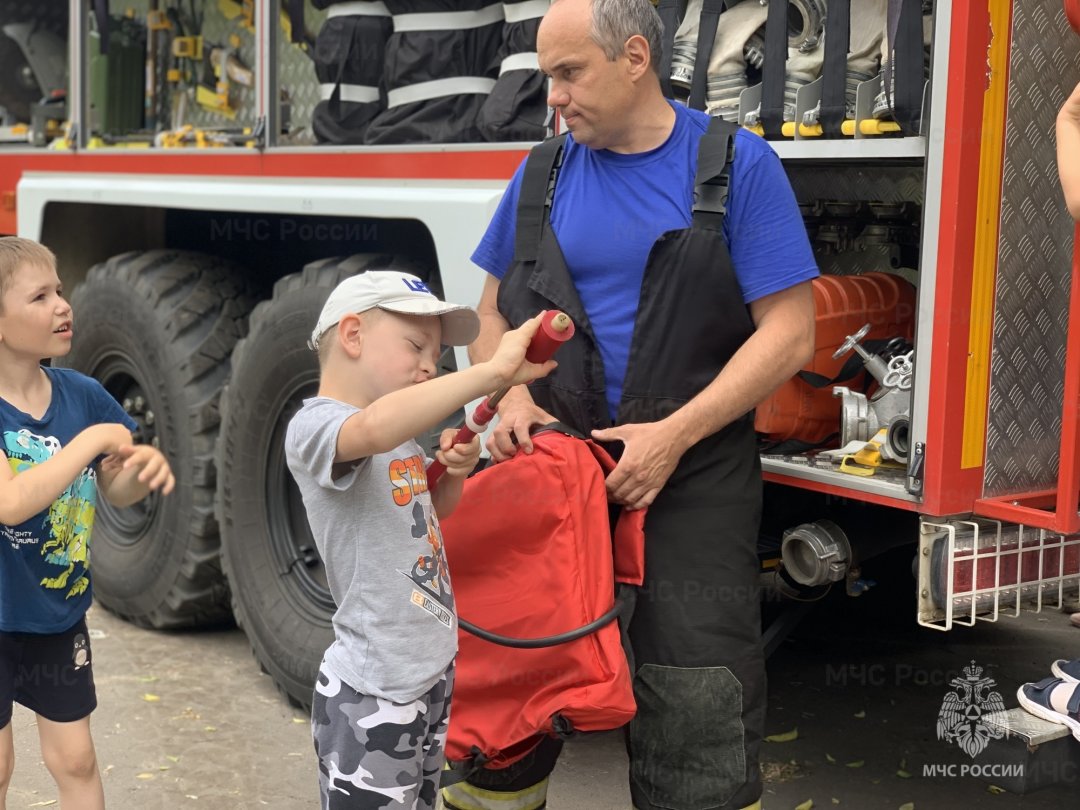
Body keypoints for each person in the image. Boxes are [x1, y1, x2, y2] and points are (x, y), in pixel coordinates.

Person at [455, 1, 817, 808]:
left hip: (691, 482)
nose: (553, 95)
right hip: (549, 479)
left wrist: (672, 436)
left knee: (696, 705)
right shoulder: (542, 171)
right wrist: (510, 391)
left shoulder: (736, 167)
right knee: (512, 691)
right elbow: (487, 318)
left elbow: (791, 336)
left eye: (568, 72)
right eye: (547, 75)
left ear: (635, 57)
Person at [283, 270, 555, 810]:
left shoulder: (399, 434)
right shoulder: (318, 426)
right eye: (416, 346)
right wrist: (491, 373)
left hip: (427, 673)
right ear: (353, 335)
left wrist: (453, 471)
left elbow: (435, 511)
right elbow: (371, 430)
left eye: (437, 353)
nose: (432, 365)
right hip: (373, 690)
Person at [0, 237, 176, 810]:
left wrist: (138, 471)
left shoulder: (84, 395)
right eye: (40, 296)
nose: (62, 305)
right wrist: (95, 440)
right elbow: (12, 502)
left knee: (76, 759)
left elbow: (114, 488)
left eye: (61, 290)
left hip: (57, 610)